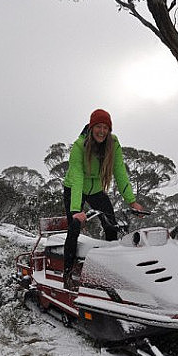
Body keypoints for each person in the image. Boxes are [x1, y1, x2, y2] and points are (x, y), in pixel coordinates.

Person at [62, 108, 144, 290]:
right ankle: (67, 275)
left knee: (111, 225)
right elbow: (77, 177)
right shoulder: (79, 146)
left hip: (97, 189)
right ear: (91, 128)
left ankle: (111, 270)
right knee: (74, 228)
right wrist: (76, 211)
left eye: (105, 127)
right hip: (74, 188)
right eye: (98, 126)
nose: (102, 131)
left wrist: (131, 201)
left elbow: (119, 171)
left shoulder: (113, 143)